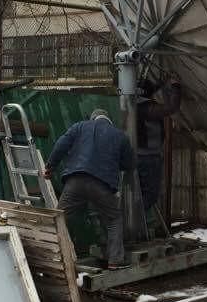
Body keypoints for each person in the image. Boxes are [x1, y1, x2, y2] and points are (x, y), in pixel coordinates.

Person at [43, 108, 134, 269]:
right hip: (102, 184)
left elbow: (61, 145)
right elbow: (128, 164)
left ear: (93, 118)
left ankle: (49, 257)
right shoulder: (119, 135)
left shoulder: (79, 126)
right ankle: (115, 261)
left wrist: (50, 167)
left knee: (60, 219)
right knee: (114, 219)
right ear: (109, 120)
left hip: (75, 180)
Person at [136, 74, 182, 213]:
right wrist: (176, 86)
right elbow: (171, 108)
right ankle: (134, 219)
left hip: (139, 155)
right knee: (151, 196)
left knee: (139, 193)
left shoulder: (134, 102)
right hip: (148, 157)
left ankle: (133, 219)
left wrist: (162, 81)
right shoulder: (146, 108)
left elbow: (149, 89)